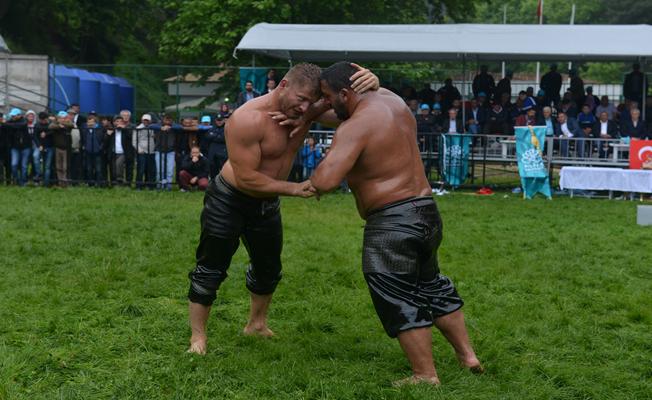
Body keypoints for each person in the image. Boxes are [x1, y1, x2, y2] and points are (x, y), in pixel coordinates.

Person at [186, 63, 379, 355]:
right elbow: (247, 178)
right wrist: (295, 188)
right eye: (300, 99)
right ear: (283, 86)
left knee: (268, 268)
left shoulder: (303, 113)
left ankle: (256, 325)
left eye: (309, 102)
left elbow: (357, 108)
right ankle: (197, 339)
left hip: (266, 202)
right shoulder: (247, 119)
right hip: (229, 199)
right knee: (211, 268)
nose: (303, 108)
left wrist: (374, 82)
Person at [308, 61, 482, 386]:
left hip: (392, 223)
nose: (326, 104)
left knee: (396, 294)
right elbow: (340, 109)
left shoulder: (355, 126)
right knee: (431, 285)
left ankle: (425, 374)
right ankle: (467, 355)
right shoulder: (394, 102)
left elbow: (326, 180)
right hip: (427, 212)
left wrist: (320, 164)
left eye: (329, 96)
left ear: (346, 92)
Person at [106, 115, 134, 186]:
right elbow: (105, 142)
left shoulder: (126, 130)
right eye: (117, 121)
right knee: (113, 168)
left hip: (123, 153)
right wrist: (108, 135)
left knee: (118, 165)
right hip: (113, 153)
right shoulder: (111, 130)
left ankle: (121, 180)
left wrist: (125, 129)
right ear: (114, 122)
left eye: (121, 121)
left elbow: (131, 137)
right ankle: (115, 183)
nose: (119, 123)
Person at [5, 108, 30, 186]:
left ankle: (23, 183)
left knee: (24, 166)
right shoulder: (10, 122)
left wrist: (5, 123)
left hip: (26, 147)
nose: (12, 117)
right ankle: (17, 179)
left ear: (19, 115)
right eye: (12, 116)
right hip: (15, 147)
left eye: (14, 115)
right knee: (14, 164)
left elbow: (19, 126)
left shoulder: (24, 121)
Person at [81, 115, 107, 187]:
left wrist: (100, 147)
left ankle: (98, 183)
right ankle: (90, 183)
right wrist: (84, 146)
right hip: (88, 152)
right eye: (89, 122)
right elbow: (83, 139)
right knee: (89, 169)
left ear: (95, 122)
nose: (90, 124)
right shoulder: (84, 129)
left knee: (98, 169)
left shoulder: (100, 129)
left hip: (97, 152)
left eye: (92, 122)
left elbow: (103, 139)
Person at [49, 111, 74, 187]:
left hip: (66, 149)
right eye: (60, 118)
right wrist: (58, 125)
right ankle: (60, 182)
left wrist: (62, 124)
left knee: (65, 167)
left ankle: (65, 182)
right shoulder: (56, 125)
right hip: (57, 148)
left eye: (64, 118)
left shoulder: (68, 125)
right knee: (58, 166)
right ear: (58, 118)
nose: (62, 119)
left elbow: (71, 124)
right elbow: (50, 126)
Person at [133, 114, 156, 189]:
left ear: (150, 121)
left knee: (150, 169)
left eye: (147, 120)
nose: (146, 121)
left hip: (151, 151)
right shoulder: (138, 128)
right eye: (144, 120)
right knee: (141, 169)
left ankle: (149, 185)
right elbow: (134, 141)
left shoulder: (153, 128)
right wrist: (139, 149)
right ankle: (138, 185)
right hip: (142, 151)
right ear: (142, 120)